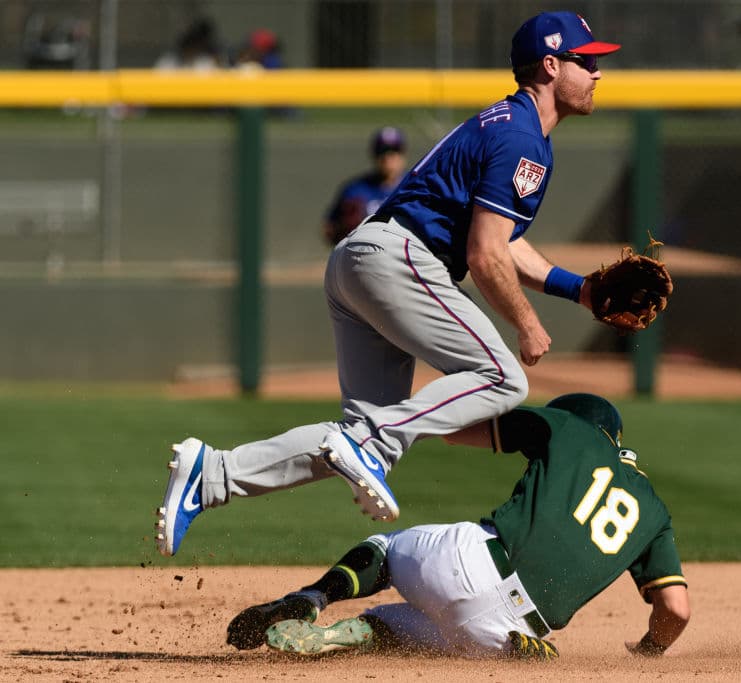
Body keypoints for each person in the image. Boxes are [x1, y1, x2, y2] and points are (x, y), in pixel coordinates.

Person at [155, 11, 625, 557]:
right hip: (399, 258)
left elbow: (503, 241)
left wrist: (580, 290)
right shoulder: (522, 137)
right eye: (586, 61)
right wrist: (527, 323)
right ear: (550, 65)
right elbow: (485, 254)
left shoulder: (513, 127)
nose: (597, 73)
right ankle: (367, 445)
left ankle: (212, 474)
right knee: (501, 376)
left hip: (364, 262)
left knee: (359, 433)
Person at [222, 393, 690, 660]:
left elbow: (456, 430)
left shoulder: (571, 429)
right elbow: (676, 610)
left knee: (383, 547)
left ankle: (310, 600)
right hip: (501, 633)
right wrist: (648, 652)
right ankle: (343, 637)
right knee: (399, 629)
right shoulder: (657, 515)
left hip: (466, 563)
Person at [322, 127, 408, 247]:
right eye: (382, 151)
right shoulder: (354, 190)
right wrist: (343, 236)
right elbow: (329, 228)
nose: (388, 158)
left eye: (394, 151)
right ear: (374, 155)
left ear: (403, 154)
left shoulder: (415, 188)